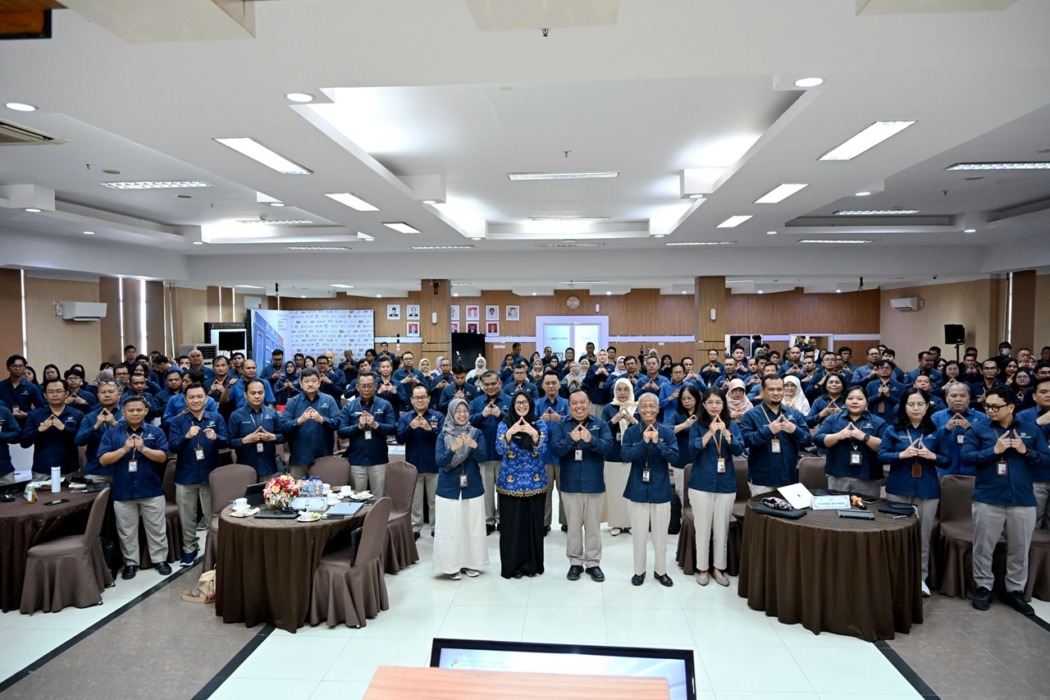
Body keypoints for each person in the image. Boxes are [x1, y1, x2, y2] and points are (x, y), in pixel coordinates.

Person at [963, 386, 1050, 614]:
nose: (989, 410)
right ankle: (983, 587)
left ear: (1011, 407)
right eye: (987, 406)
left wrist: (1026, 451)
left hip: (1022, 499)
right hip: (987, 497)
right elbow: (967, 457)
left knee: (1019, 548)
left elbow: (1046, 460)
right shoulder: (979, 429)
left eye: (995, 406)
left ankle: (1015, 590)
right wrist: (994, 450)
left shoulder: (1031, 429)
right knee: (983, 546)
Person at [878, 387, 949, 596]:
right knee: (895, 534)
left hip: (927, 489)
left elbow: (947, 460)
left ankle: (920, 578)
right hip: (898, 487)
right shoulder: (893, 430)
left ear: (927, 406)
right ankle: (894, 576)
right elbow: (881, 455)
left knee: (922, 536)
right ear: (904, 406)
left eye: (920, 404)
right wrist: (901, 454)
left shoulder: (937, 431)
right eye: (911, 404)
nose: (916, 408)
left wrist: (932, 456)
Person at [97, 395, 172, 580]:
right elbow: (103, 459)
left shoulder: (156, 431)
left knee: (156, 528)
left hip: (151, 489)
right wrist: (123, 450)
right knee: (126, 530)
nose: (135, 413)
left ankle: (160, 560)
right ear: (124, 412)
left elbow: (163, 457)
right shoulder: (112, 434)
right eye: (131, 410)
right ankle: (131, 563)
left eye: (139, 410)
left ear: (146, 411)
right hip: (123, 491)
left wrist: (144, 449)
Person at [550, 390, 613, 582]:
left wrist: (590, 439)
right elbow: (556, 449)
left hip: (594, 483)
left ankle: (593, 563)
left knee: (593, 526)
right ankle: (575, 562)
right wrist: (572, 439)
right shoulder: (562, 424)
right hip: (570, 484)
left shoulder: (600, 424)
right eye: (574, 403)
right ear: (569, 407)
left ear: (590, 403)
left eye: (582, 402)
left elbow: (608, 448)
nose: (579, 406)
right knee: (574, 526)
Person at [688, 387, 744, 587]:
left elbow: (739, 449)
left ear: (724, 404)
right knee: (702, 528)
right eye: (710, 402)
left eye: (718, 402)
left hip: (726, 484)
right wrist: (709, 434)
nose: (714, 406)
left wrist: (728, 435)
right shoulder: (698, 426)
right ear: (703, 404)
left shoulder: (732, 425)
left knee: (721, 529)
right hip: (701, 483)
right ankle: (702, 569)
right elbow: (691, 451)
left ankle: (718, 568)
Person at [621, 393, 678, 587]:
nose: (647, 409)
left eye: (651, 406)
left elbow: (676, 457)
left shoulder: (667, 432)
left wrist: (657, 443)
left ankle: (660, 571)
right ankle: (639, 571)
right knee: (638, 534)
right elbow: (625, 456)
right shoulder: (631, 432)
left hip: (660, 489)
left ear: (658, 408)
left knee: (661, 534)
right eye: (643, 406)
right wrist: (643, 443)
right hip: (637, 488)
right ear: (638, 408)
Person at [167, 383, 227, 567]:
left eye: (199, 396)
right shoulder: (178, 421)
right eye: (191, 397)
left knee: (212, 517)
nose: (196, 400)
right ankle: (190, 549)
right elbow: (172, 447)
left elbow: (227, 441)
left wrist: (216, 438)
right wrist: (185, 437)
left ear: (206, 398)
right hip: (186, 475)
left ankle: (215, 550)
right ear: (185, 400)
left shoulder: (215, 417)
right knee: (187, 516)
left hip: (211, 475)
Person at [433, 398, 490, 580]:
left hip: (472, 487)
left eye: (465, 411)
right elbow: (440, 461)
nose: (462, 415)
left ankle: (472, 563)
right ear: (451, 413)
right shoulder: (443, 435)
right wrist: (453, 448)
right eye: (458, 411)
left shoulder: (476, 432)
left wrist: (474, 446)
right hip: (448, 488)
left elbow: (483, 457)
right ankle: (450, 566)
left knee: (472, 527)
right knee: (450, 528)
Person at [495, 390, 549, 579]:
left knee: (533, 527)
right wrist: (510, 433)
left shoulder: (540, 423)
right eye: (518, 403)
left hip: (535, 483)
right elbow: (499, 448)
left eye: (525, 402)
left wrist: (534, 434)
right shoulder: (504, 424)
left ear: (530, 404)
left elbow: (543, 449)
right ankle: (513, 567)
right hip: (509, 485)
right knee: (511, 528)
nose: (521, 406)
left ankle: (532, 565)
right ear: (512, 405)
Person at [739, 376, 812, 495]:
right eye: (771, 389)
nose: (776, 393)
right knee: (761, 513)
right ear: (762, 391)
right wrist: (768, 430)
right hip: (762, 480)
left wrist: (794, 430)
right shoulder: (751, 415)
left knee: (787, 513)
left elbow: (808, 440)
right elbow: (745, 441)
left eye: (779, 389)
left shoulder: (794, 413)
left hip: (787, 478)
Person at [815, 387, 887, 499]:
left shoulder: (878, 422)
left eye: (859, 398)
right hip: (838, 474)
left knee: (866, 510)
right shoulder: (833, 419)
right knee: (836, 510)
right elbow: (818, 439)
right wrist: (838, 436)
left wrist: (864, 437)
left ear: (867, 402)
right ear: (845, 401)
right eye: (850, 398)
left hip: (868, 476)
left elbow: (885, 446)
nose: (854, 401)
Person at [337, 371, 396, 496]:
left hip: (378, 459)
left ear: (376, 386)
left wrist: (376, 425)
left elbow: (392, 429)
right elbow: (341, 432)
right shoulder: (349, 407)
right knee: (358, 499)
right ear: (357, 387)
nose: (367, 389)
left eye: (370, 385)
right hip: (357, 460)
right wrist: (358, 426)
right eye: (363, 386)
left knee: (379, 498)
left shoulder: (385, 405)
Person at [396, 385, 443, 538]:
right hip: (414, 466)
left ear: (429, 399)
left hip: (434, 465)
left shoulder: (438, 416)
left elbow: (445, 439)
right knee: (415, 501)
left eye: (423, 397)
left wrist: (431, 429)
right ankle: (415, 529)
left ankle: (436, 528)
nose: (420, 400)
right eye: (417, 397)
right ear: (411, 400)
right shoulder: (405, 418)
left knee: (435, 500)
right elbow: (399, 438)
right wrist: (410, 428)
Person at [469, 371, 511, 534]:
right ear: (482, 385)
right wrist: (483, 415)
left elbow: (516, 421)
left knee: (503, 489)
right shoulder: (476, 402)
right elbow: (467, 422)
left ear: (499, 383)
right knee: (486, 490)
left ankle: (502, 519)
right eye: (486, 384)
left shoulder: (508, 400)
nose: (490, 387)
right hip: (483, 454)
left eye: (493, 384)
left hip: (505, 455)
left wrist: (501, 415)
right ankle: (488, 520)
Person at [279, 367, 340, 479]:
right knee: (298, 493)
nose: (310, 384)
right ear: (301, 384)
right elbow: (283, 427)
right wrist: (299, 421)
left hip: (323, 455)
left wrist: (322, 420)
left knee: (323, 492)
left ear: (319, 382)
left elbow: (337, 423)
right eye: (306, 381)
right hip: (299, 457)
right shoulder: (293, 402)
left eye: (313, 381)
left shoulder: (329, 399)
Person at [20, 378, 84, 476]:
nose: (54, 395)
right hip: (41, 471)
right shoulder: (35, 415)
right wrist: (39, 430)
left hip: (70, 471)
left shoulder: (77, 414)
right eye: (50, 392)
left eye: (58, 391)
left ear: (66, 394)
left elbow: (82, 440)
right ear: (45, 395)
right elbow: (24, 443)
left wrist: (64, 428)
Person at [227, 379, 284, 480]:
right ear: (245, 394)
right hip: (245, 467)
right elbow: (230, 442)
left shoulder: (272, 413)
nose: (257, 396)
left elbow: (283, 437)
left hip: (269, 466)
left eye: (260, 393)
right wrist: (245, 440)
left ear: (264, 393)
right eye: (253, 393)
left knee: (269, 495)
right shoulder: (236, 415)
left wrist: (273, 437)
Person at [602, 377, 638, 537]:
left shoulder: (636, 407)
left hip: (632, 455)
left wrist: (633, 421)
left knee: (630, 492)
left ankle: (630, 523)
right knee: (614, 492)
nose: (622, 393)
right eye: (619, 389)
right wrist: (613, 421)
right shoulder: (609, 408)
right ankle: (616, 523)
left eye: (626, 389)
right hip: (613, 455)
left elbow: (643, 430)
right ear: (614, 391)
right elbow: (601, 431)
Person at [932, 381, 989, 477]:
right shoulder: (936, 417)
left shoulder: (982, 418)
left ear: (969, 398)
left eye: (963, 396)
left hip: (974, 474)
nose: (958, 399)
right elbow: (929, 443)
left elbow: (988, 445)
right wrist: (945, 429)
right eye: (953, 396)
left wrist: (971, 429)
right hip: (944, 473)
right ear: (946, 398)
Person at [536, 370, 569, 533]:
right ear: (542, 385)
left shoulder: (567, 403)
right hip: (543, 456)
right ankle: (544, 522)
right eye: (547, 383)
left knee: (565, 491)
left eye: (553, 383)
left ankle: (566, 522)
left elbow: (574, 422)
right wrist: (538, 421)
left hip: (563, 455)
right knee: (545, 491)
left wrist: (559, 419)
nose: (550, 386)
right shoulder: (536, 404)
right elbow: (528, 423)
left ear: (559, 384)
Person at [75, 379, 123, 483]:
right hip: (96, 471)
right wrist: (95, 426)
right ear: (98, 395)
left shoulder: (128, 413)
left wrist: (115, 424)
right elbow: (79, 440)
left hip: (123, 470)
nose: (106, 395)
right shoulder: (90, 416)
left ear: (120, 393)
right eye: (103, 392)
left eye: (111, 392)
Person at [1018, 376, 1050, 527]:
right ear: (1033, 396)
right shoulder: (1024, 416)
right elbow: (1015, 441)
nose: (1048, 395)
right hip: (1034, 478)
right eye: (1043, 392)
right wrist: (1038, 423)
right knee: (1032, 525)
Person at [666, 384, 702, 508]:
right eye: (683, 399)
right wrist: (684, 425)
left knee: (698, 494)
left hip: (700, 459)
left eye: (689, 398)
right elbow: (667, 431)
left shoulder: (703, 412)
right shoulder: (677, 413)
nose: (686, 401)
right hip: (681, 459)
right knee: (681, 492)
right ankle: (684, 523)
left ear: (696, 398)